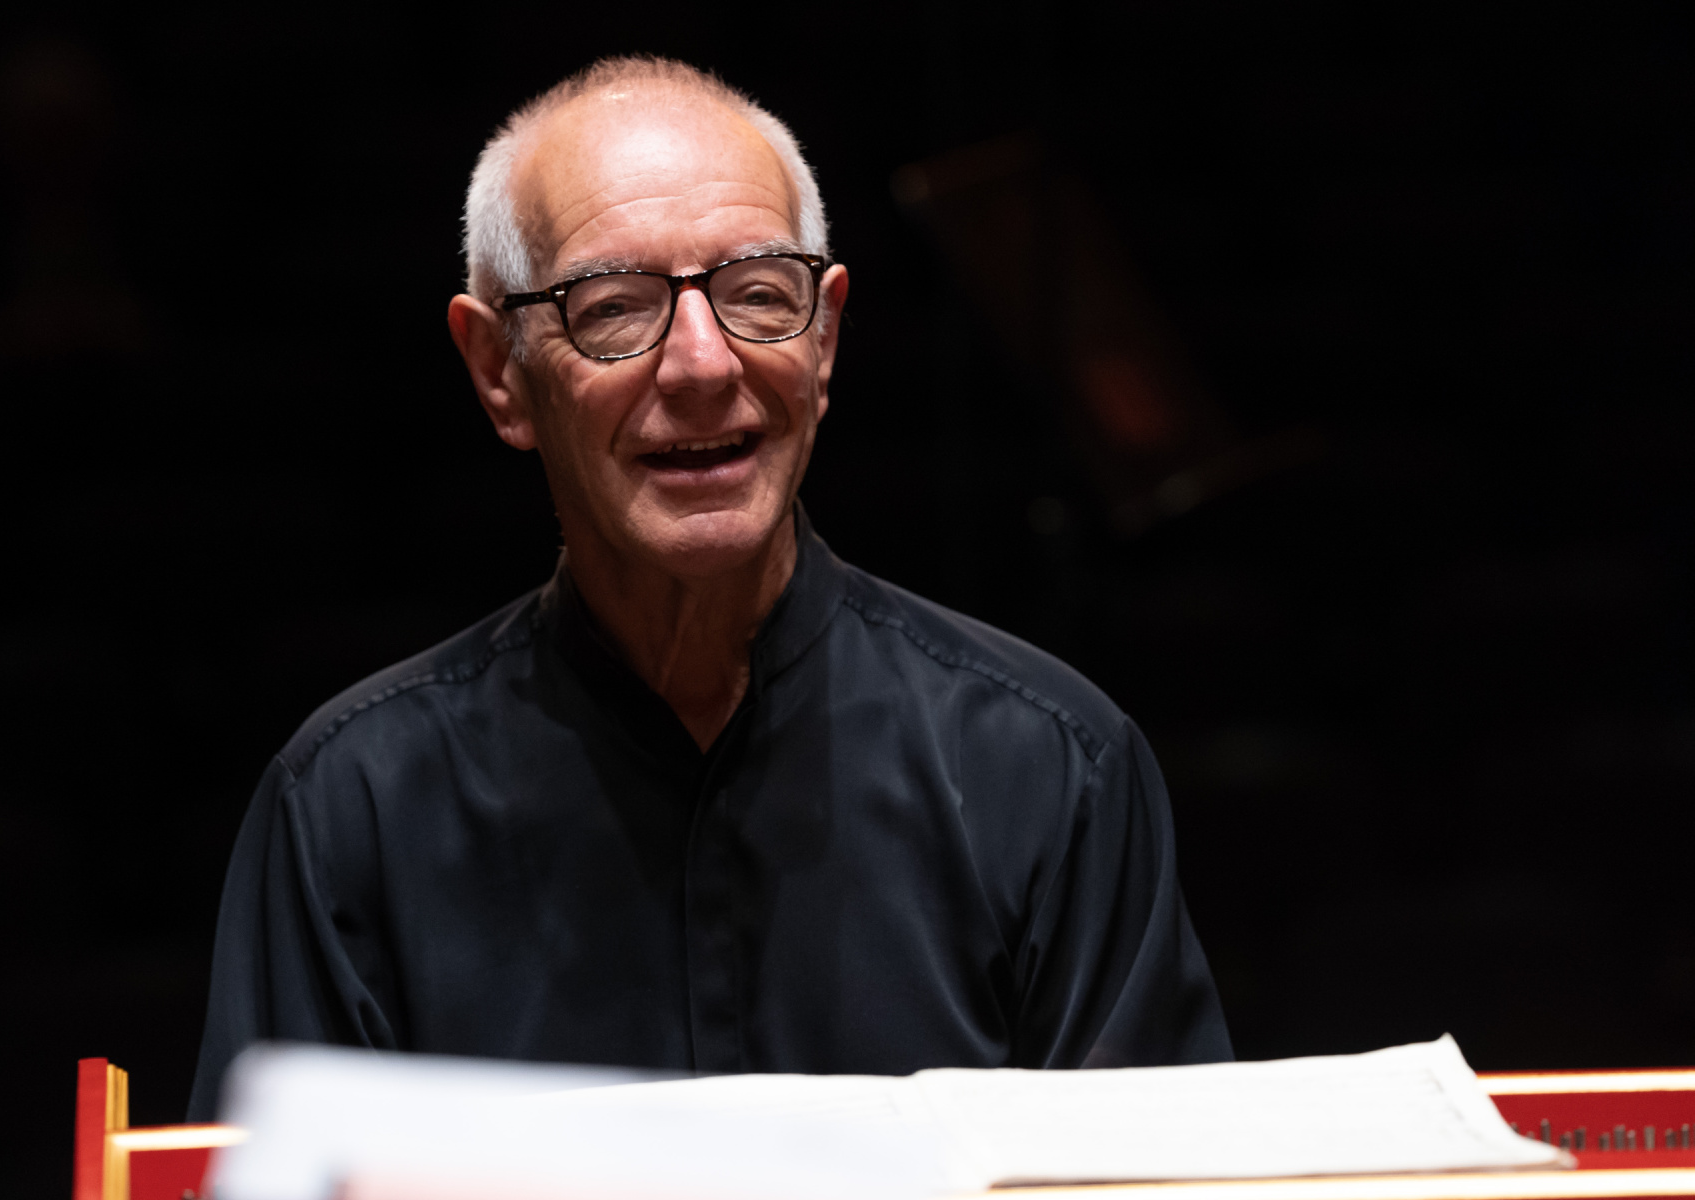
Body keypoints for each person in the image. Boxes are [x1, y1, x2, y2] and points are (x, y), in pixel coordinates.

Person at [188, 56, 1229, 1121]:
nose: (699, 363)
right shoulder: (349, 806)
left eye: (757, 296)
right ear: (498, 369)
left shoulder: (1051, 768)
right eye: (613, 307)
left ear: (823, 339)